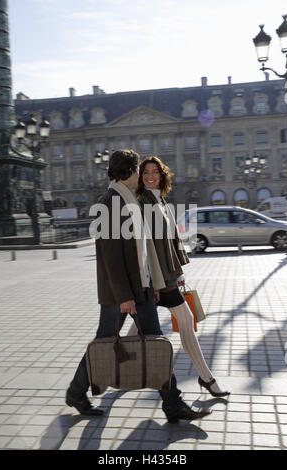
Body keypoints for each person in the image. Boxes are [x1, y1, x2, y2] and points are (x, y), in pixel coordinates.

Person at [66, 149, 211, 423]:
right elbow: (110, 257)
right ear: (130, 172)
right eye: (138, 171)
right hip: (120, 294)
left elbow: (141, 251)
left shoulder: (129, 199)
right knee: (104, 342)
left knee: (155, 343)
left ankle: (172, 404)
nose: (141, 176)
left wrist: (153, 283)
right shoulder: (110, 203)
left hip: (141, 288)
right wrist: (123, 297)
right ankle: (76, 392)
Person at [128, 156, 230, 398]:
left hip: (166, 277)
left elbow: (169, 242)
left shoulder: (159, 199)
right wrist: (151, 282)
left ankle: (112, 368)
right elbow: (145, 247)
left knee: (138, 329)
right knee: (185, 321)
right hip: (157, 280)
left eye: (155, 172)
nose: (150, 176)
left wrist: (178, 272)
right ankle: (207, 379)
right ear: (140, 177)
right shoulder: (142, 202)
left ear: (162, 175)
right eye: (146, 173)